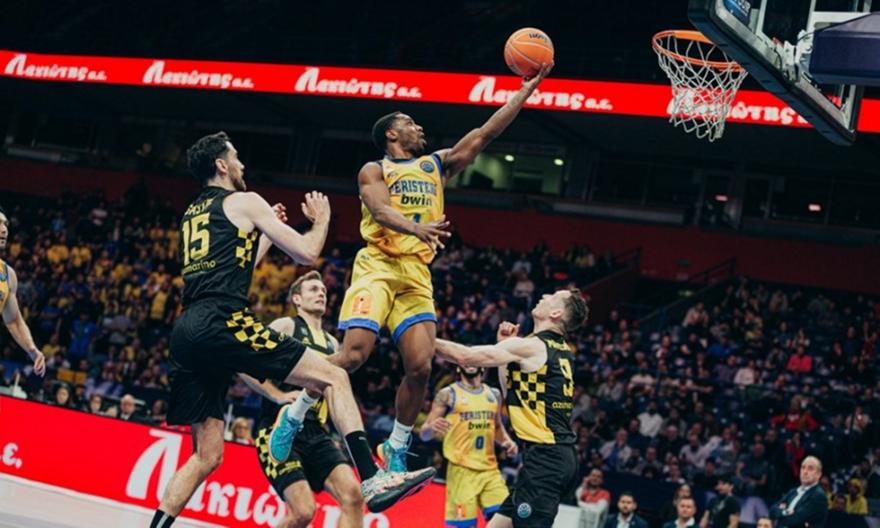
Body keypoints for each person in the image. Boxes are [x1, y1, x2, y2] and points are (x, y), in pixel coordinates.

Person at [279, 64, 555, 474]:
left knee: (421, 366)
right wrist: (416, 228)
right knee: (353, 356)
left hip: (416, 273)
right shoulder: (374, 169)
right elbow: (379, 210)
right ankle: (295, 413)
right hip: (377, 265)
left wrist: (525, 91)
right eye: (409, 122)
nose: (418, 127)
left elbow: (485, 134)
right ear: (392, 134)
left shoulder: (436, 165)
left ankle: (395, 445)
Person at [151, 132, 434, 528]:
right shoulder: (245, 200)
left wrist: (265, 235)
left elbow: (236, 268)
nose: (242, 165)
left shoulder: (192, 215)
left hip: (187, 329)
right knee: (334, 375)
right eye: (236, 158)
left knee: (206, 455)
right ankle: (373, 478)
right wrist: (323, 220)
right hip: (223, 319)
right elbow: (306, 252)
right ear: (221, 165)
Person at [435, 288, 588, 527]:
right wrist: (504, 348)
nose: (544, 296)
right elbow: (512, 395)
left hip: (547, 460)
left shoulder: (533, 346)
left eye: (551, 297)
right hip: (552, 457)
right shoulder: (560, 350)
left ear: (556, 313)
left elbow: (465, 356)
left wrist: (417, 337)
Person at [241, 271, 364, 528]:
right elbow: (243, 362)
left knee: (353, 496)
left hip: (317, 432)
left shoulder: (332, 343)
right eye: (313, 289)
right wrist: (277, 395)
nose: (321, 294)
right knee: (303, 512)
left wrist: (336, 432)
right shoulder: (286, 326)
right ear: (297, 299)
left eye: (324, 291)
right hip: (277, 428)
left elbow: (334, 393)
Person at [420, 365, 517, 528]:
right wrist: (431, 427)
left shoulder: (494, 394)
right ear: (458, 368)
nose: (470, 363)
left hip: (490, 470)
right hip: (461, 471)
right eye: (465, 360)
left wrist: (507, 442)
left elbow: (497, 426)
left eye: (474, 359)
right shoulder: (447, 394)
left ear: (482, 366)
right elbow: (424, 435)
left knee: (507, 520)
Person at [0, 206, 46, 377]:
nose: (4, 229)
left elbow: (13, 321)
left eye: (5, 224)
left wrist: (32, 349)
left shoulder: (7, 275)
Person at [769, 456, 828, 528]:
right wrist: (785, 512)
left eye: (810, 468)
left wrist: (781, 514)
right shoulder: (793, 492)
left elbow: (794, 520)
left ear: (819, 474)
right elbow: (772, 511)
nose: (805, 472)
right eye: (803, 467)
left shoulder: (818, 496)